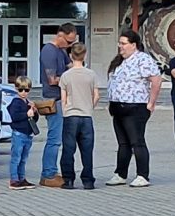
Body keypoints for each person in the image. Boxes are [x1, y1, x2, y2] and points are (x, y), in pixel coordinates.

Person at [106, 32, 162, 186]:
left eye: (123, 43)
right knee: (123, 143)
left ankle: (142, 175)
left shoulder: (142, 59)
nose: (120, 46)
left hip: (135, 107)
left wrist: (151, 102)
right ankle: (120, 173)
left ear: (133, 45)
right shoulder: (120, 61)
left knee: (137, 141)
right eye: (119, 43)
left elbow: (156, 80)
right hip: (118, 107)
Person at [33, 26, 74, 188]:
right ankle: (48, 174)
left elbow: (72, 67)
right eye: (69, 41)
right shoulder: (49, 51)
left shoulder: (61, 51)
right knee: (54, 139)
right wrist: (71, 78)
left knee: (59, 139)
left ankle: (52, 171)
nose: (70, 45)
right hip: (53, 99)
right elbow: (52, 80)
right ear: (60, 35)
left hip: (62, 99)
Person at [56, 42, 100, 188]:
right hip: (86, 116)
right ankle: (88, 181)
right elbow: (96, 96)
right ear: (84, 55)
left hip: (70, 115)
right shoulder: (91, 74)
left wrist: (65, 111)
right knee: (87, 150)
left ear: (71, 56)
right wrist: (89, 107)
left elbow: (63, 98)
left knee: (68, 150)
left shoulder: (66, 76)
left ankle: (68, 180)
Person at [5, 86, 37, 189]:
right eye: (21, 90)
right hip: (19, 133)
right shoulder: (16, 102)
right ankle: (14, 180)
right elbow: (14, 117)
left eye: (26, 90)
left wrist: (34, 111)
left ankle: (22, 179)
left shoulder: (28, 103)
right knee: (16, 158)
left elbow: (34, 119)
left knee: (23, 158)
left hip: (28, 134)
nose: (23, 92)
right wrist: (26, 114)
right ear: (16, 89)